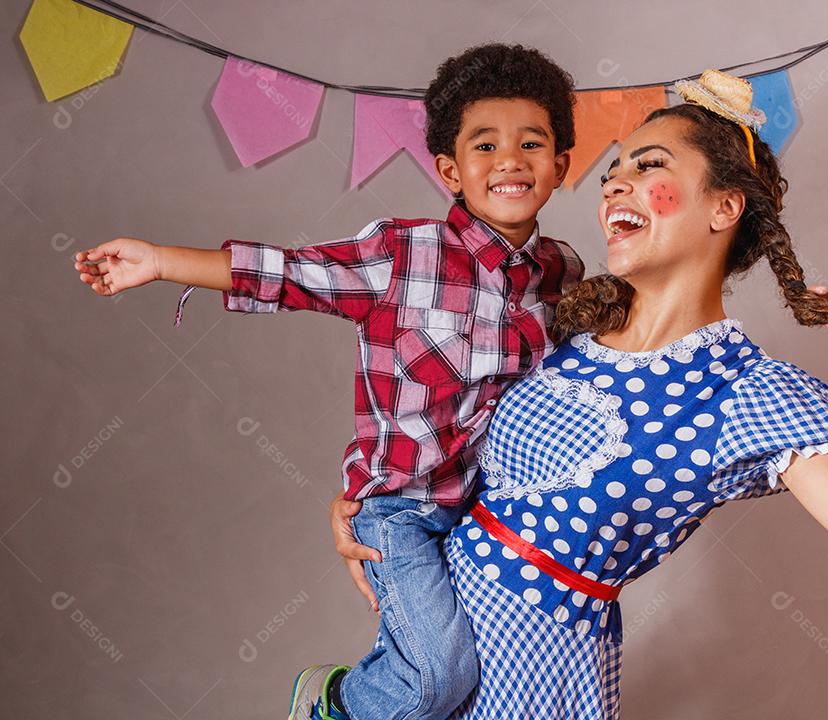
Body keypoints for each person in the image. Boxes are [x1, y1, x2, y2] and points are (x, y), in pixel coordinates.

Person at [329, 69, 828, 718]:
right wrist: (374, 502)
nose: (614, 185)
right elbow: (427, 417)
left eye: (649, 165)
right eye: (613, 173)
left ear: (724, 207)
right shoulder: (560, 314)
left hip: (537, 677)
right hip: (424, 662)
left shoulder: (747, 394)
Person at [72, 43, 584, 720]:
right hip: (400, 511)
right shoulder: (407, 253)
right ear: (449, 169)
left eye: (532, 142)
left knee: (498, 682)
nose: (510, 160)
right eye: (484, 146)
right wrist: (162, 260)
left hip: (494, 513)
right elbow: (290, 274)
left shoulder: (567, 276)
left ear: (561, 165)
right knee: (440, 673)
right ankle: (330, 703)